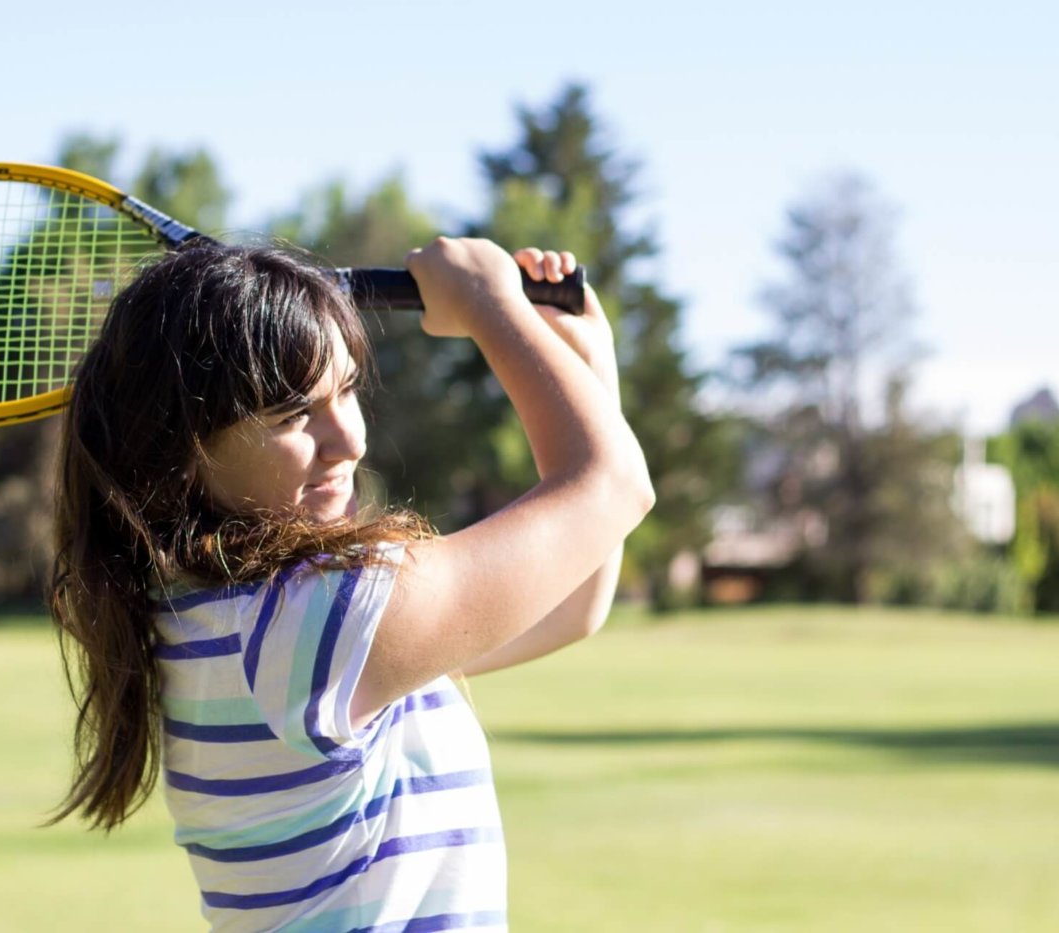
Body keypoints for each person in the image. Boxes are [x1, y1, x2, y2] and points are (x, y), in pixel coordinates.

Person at [48, 236, 655, 931]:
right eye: (292, 414)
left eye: (346, 390)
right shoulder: (310, 622)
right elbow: (612, 486)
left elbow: (571, 604)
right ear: (181, 451)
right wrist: (490, 305)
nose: (350, 439)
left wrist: (585, 360)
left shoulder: (222, 613)